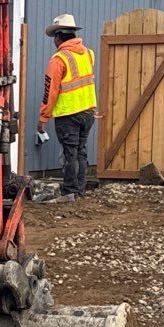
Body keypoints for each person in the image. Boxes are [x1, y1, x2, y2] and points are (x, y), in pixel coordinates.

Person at [37, 12, 97, 200]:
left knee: (70, 153)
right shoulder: (88, 54)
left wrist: (43, 118)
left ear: (58, 37)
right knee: (81, 150)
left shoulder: (59, 60)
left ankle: (70, 191)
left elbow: (50, 91)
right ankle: (79, 189)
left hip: (68, 114)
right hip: (88, 112)